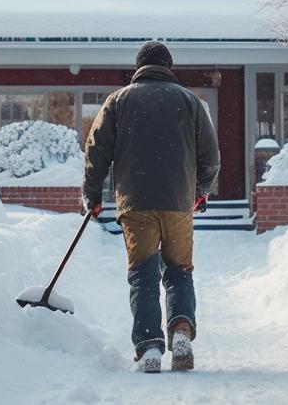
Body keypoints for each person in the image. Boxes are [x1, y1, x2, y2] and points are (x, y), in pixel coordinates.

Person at [81, 41, 220, 374]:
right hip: (177, 203)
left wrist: (93, 195)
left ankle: (150, 349)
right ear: (168, 67)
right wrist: (200, 190)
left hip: (135, 201)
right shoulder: (190, 102)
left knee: (143, 275)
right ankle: (181, 331)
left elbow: (96, 152)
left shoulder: (118, 101)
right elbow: (210, 156)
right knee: (178, 271)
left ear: (138, 68)